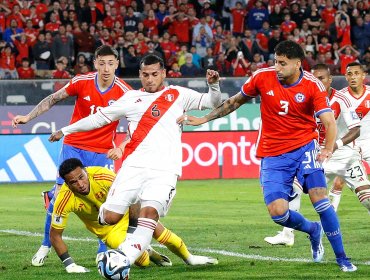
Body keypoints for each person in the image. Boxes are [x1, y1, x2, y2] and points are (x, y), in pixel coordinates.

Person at [177, 41, 357, 272]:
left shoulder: (313, 85)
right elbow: (234, 102)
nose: (277, 68)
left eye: (282, 63)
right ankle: (313, 230)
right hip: (272, 154)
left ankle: (342, 258)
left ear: (297, 64)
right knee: (278, 213)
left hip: (304, 148)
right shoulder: (262, 77)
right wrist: (203, 119)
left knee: (321, 200)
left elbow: (329, 122)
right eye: (275, 62)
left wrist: (327, 149)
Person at [48, 54, 222, 277]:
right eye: (145, 75)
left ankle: (122, 259)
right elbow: (99, 118)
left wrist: (214, 85)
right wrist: (66, 130)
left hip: (165, 170)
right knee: (109, 216)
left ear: (164, 73)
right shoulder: (130, 98)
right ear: (140, 75)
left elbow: (212, 102)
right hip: (133, 167)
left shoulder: (179, 94)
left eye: (154, 74)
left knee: (148, 216)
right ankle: (136, 243)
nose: (150, 79)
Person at [12, 45, 132, 267]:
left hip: (102, 151)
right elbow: (54, 98)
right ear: (95, 63)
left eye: (111, 63)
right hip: (74, 145)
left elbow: (137, 123)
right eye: (102, 63)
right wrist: (28, 117)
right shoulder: (82, 81)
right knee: (59, 198)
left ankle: (103, 249)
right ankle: (46, 244)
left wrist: (123, 146)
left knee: (106, 202)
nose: (106, 68)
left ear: (117, 64)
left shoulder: (125, 92)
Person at [51, 158, 217, 273]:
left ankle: (189, 258)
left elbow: (134, 198)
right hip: (108, 231)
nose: (80, 184)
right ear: (66, 183)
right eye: (73, 182)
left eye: (81, 177)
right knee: (143, 262)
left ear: (86, 172)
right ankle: (149, 252)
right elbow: (55, 235)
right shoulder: (64, 199)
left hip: (127, 214)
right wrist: (69, 265)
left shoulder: (104, 176)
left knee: (158, 230)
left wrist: (132, 232)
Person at [265, 63, 368, 246]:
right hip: (319, 156)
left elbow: (356, 130)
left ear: (329, 80)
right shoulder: (305, 98)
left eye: (321, 78)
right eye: (313, 78)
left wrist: (334, 145)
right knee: (294, 189)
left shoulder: (342, 99)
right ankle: (287, 235)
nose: (316, 82)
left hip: (345, 156)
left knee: (367, 198)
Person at [327, 62, 370, 212]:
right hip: (349, 144)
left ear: (363, 75)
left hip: (368, 143)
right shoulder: (341, 96)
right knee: (339, 182)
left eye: (357, 73)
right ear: (345, 76)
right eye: (350, 74)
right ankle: (331, 217)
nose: (353, 77)